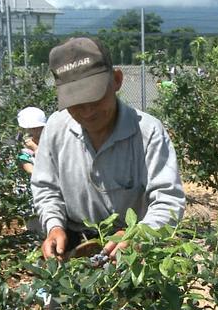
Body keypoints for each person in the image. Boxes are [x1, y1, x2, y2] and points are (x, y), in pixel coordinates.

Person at [31, 37, 185, 261]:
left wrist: (137, 234)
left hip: (132, 251)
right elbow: (46, 188)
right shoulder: (56, 127)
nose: (86, 112)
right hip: (73, 245)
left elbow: (168, 200)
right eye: (75, 103)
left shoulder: (147, 132)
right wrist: (54, 226)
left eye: (95, 98)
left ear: (116, 80)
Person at [16, 107, 47, 175]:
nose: (37, 130)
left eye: (40, 127)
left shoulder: (52, 141)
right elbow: (32, 171)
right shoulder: (25, 151)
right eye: (33, 128)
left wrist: (35, 148)